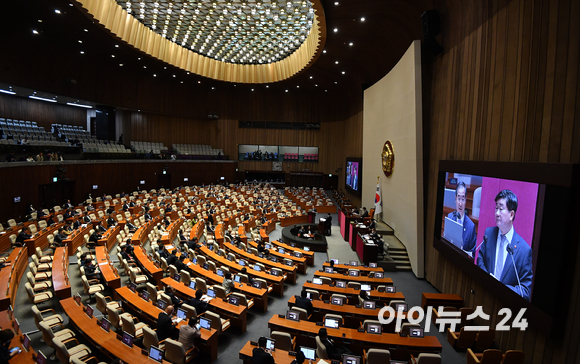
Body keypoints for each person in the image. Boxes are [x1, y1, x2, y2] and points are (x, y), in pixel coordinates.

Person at [476, 189, 533, 301]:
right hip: (484, 297)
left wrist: (501, 289)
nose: (497, 213)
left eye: (501, 209)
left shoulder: (524, 250)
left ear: (511, 214)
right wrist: (488, 281)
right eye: (496, 208)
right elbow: (480, 260)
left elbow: (525, 290)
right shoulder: (489, 234)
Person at [447, 181, 477, 254]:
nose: (460, 203)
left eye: (463, 199)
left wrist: (463, 251)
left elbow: (472, 254)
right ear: (455, 199)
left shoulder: (471, 226)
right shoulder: (450, 217)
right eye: (459, 198)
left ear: (466, 200)